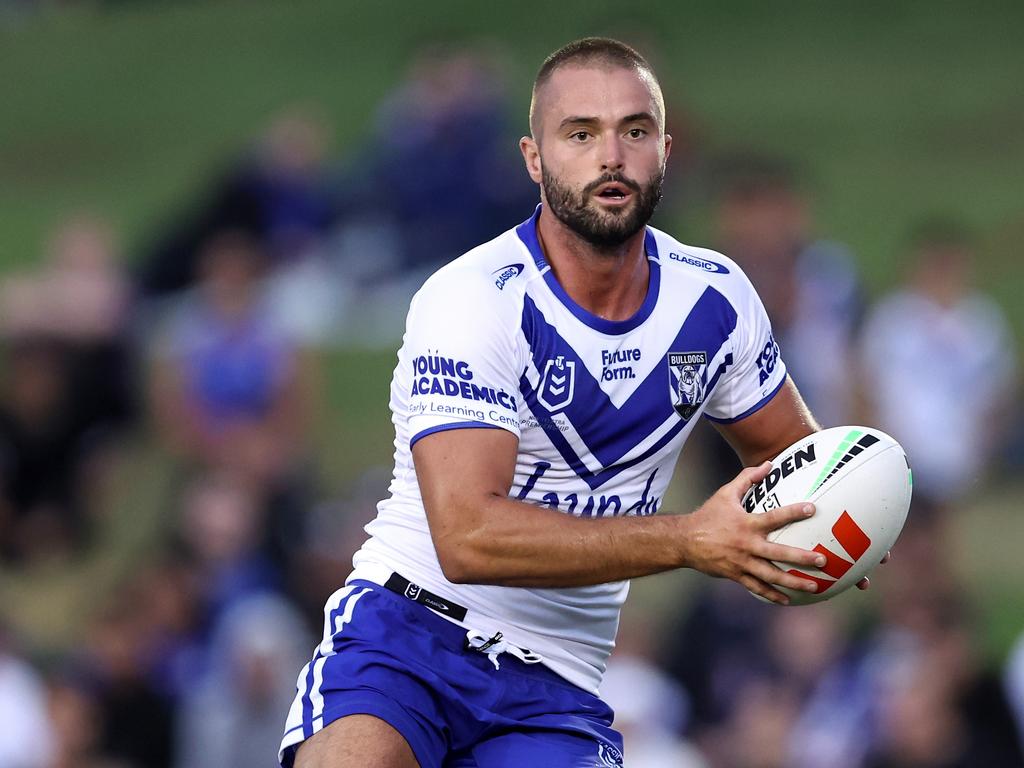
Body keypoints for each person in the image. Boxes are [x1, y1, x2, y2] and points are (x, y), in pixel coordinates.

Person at [280, 38, 874, 768]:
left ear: (665, 150)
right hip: (407, 633)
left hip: (557, 677)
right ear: (534, 159)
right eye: (581, 133)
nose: (612, 156)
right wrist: (689, 540)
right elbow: (468, 538)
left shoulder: (715, 300)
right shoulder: (474, 298)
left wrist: (845, 518)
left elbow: (795, 464)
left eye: (635, 131)